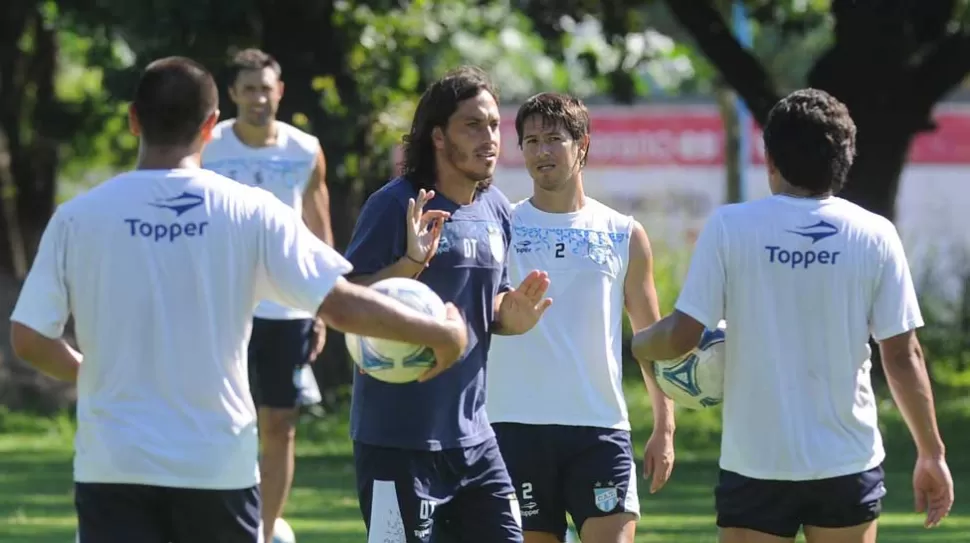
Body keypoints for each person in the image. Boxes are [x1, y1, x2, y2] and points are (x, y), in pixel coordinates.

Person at [8, 56, 469, 543]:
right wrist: (441, 332)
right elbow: (339, 305)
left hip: (111, 463)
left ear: (133, 120)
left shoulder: (78, 217)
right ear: (211, 125)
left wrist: (91, 373)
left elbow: (29, 337)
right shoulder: (251, 211)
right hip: (214, 465)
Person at [631, 88, 954, 543]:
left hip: (756, 464)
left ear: (771, 159)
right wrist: (931, 452)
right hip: (847, 460)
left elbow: (684, 335)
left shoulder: (730, 226)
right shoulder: (876, 234)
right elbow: (902, 356)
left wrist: (639, 342)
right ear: (846, 157)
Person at [343, 66, 553, 543]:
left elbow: (490, 300)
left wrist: (509, 315)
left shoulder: (496, 207)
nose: (490, 138)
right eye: (473, 125)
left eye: (495, 125)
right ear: (438, 136)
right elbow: (347, 301)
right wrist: (409, 263)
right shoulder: (396, 204)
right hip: (397, 439)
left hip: (475, 439)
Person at [486, 92, 676, 543]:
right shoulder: (501, 227)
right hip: (514, 428)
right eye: (530, 141)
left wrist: (664, 426)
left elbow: (649, 338)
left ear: (582, 144)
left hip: (600, 429)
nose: (541, 151)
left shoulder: (624, 233)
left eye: (554, 139)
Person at [200, 47, 333, 541]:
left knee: (280, 423)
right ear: (232, 94)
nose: (259, 97)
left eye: (267, 88)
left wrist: (322, 306)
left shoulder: (304, 149)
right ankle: (216, 521)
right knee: (218, 418)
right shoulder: (207, 146)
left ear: (280, 92)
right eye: (249, 88)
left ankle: (266, 528)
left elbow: (319, 231)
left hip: (287, 307)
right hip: (221, 308)